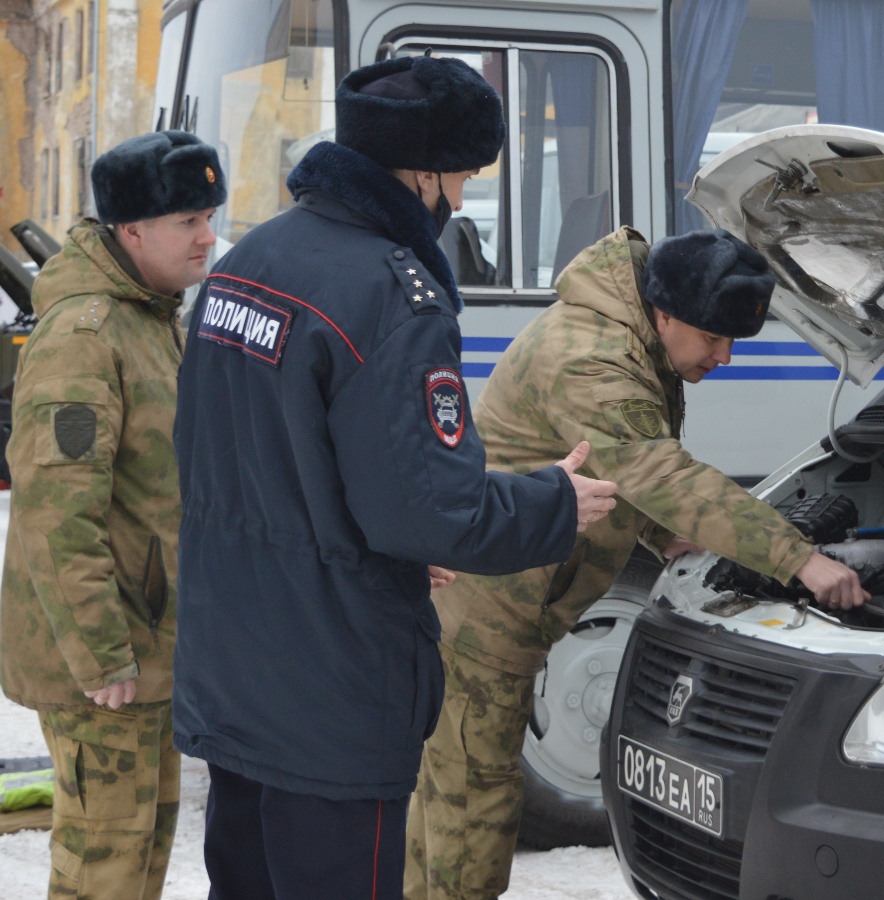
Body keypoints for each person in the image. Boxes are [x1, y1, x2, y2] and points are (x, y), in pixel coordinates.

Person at [169, 55, 618, 898]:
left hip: (236, 672)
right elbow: (430, 512)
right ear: (421, 173)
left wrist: (387, 535)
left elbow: (238, 459)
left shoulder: (245, 263)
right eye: (463, 174)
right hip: (331, 695)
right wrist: (556, 500)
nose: (462, 196)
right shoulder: (389, 294)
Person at [404, 226, 869, 898]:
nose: (726, 356)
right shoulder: (590, 356)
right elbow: (658, 469)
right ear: (665, 313)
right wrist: (797, 559)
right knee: (469, 813)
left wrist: (659, 535)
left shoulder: (631, 335)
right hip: (484, 615)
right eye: (714, 337)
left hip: (505, 597)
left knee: (454, 799)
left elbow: (617, 462)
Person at [0, 130, 225, 899]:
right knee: (104, 868)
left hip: (147, 647)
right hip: (105, 660)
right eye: (189, 221)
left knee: (140, 858)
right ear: (132, 231)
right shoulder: (87, 335)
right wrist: (100, 656)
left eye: (209, 216)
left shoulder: (150, 314)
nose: (209, 236)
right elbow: (56, 510)